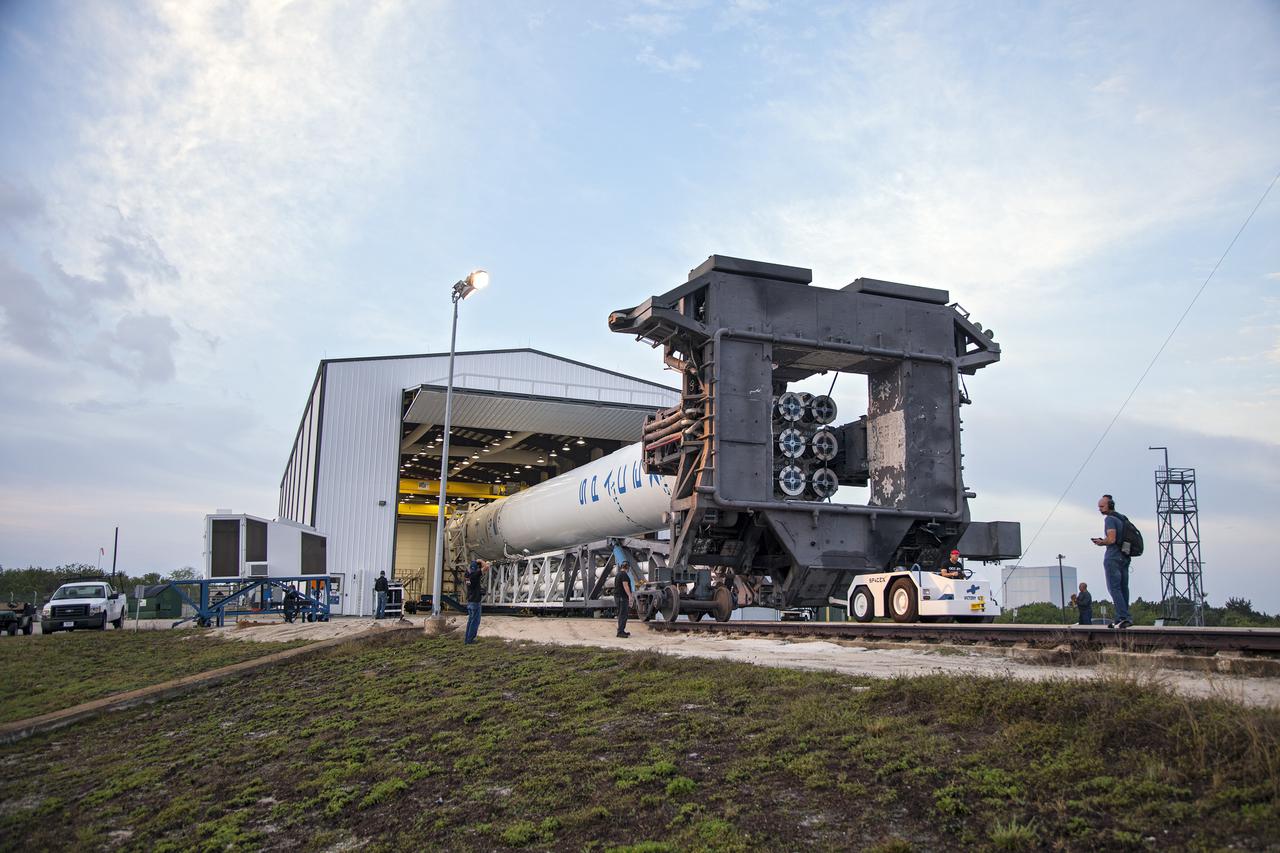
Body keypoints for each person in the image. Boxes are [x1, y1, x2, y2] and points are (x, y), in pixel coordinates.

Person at [1092, 494, 1132, 629]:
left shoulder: (1109, 519)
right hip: (1124, 557)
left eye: (1102, 506)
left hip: (1113, 557)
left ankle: (1122, 617)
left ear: (1110, 505)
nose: (1100, 509)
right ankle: (1124, 617)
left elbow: (1111, 539)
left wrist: (1101, 542)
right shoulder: (1122, 518)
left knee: (1114, 588)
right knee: (1123, 588)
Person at [463, 559, 489, 644]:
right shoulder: (475, 575)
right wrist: (481, 561)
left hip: (470, 601)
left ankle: (467, 639)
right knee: (475, 622)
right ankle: (470, 640)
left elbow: (471, 570)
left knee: (470, 621)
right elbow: (486, 567)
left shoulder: (467, 576)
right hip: (475, 601)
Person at [614, 561, 636, 638]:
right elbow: (625, 586)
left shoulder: (618, 574)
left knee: (622, 614)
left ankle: (621, 630)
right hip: (622, 597)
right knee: (623, 614)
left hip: (619, 597)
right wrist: (630, 596)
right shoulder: (624, 575)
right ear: (628, 567)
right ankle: (620, 632)